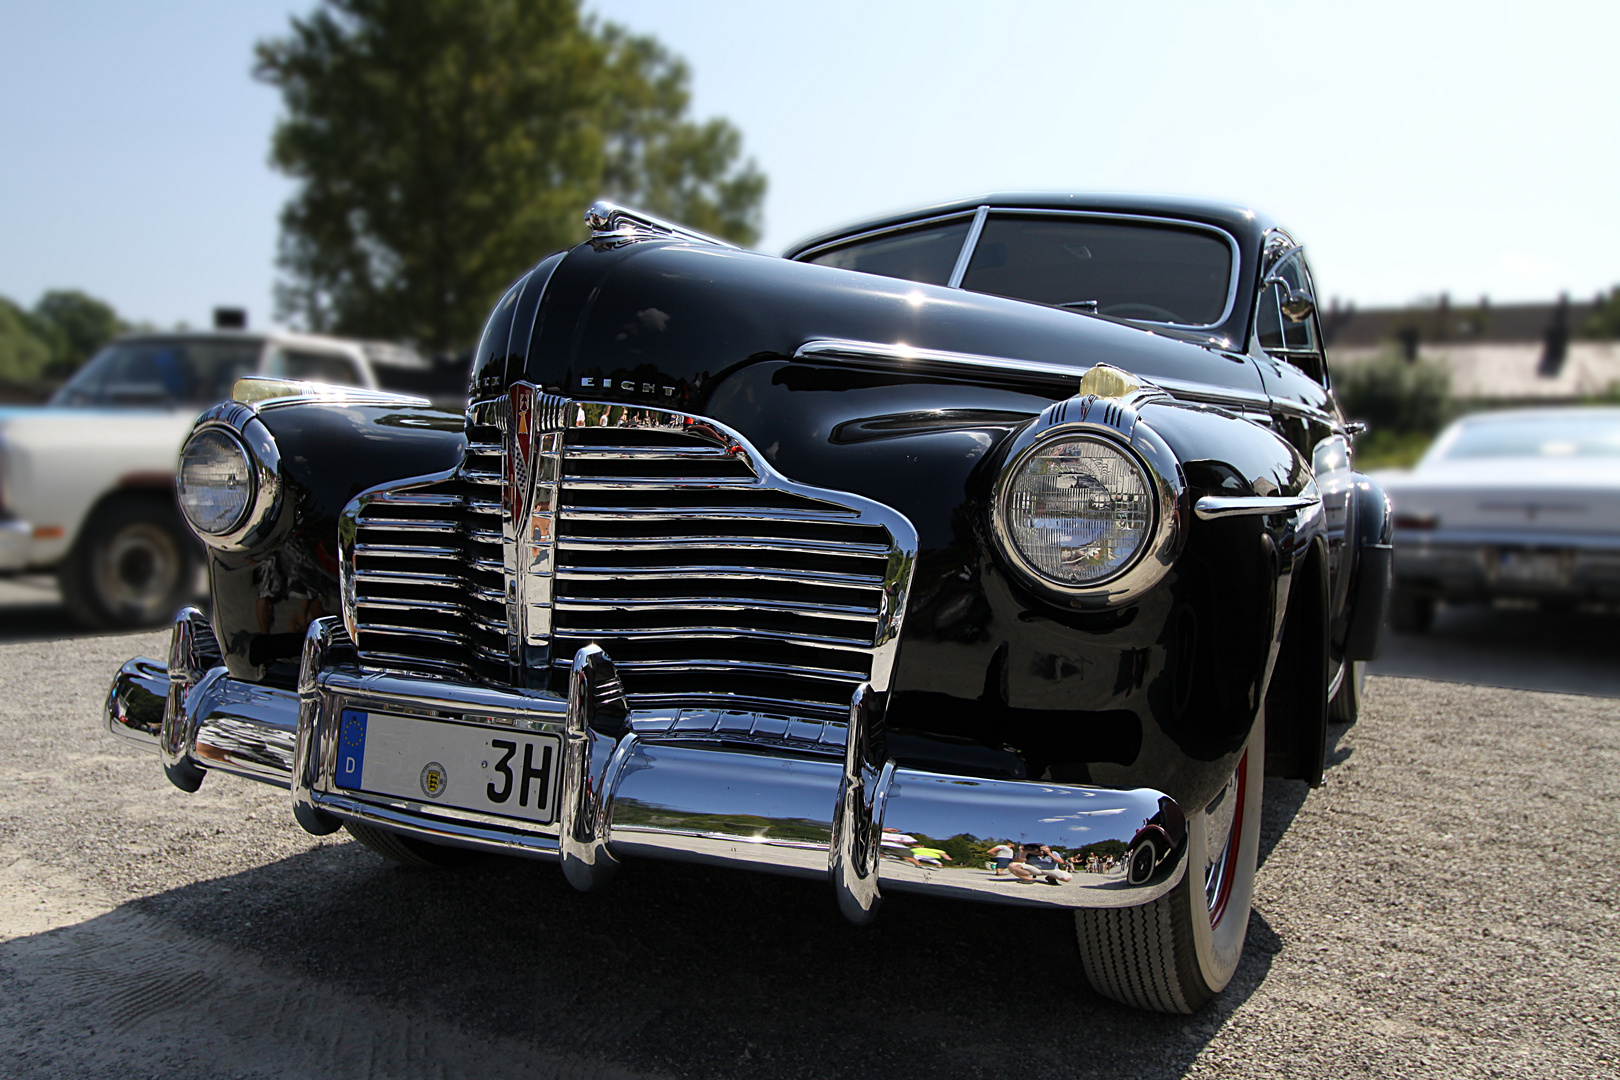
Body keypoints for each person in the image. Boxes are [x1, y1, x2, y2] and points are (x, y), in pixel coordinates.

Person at [1007, 843, 1073, 885]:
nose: (1034, 851)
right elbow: (1018, 862)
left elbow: (1061, 862)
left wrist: (1049, 853)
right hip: (1035, 869)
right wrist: (1023, 852)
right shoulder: (1026, 853)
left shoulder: (1053, 853)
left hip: (1051, 870)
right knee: (1012, 865)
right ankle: (1028, 879)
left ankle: (1051, 877)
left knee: (1067, 878)